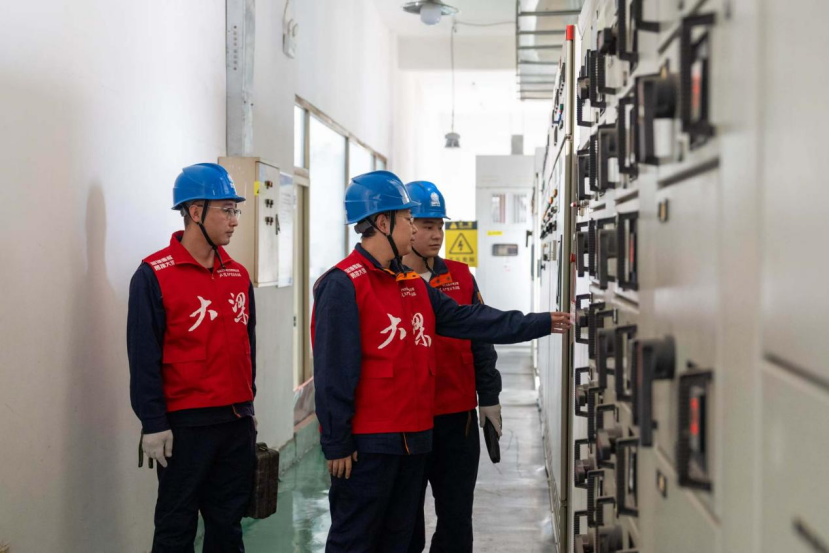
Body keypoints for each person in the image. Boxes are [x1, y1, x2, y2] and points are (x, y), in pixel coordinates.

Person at [311, 170, 572, 552]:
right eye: (408, 219)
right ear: (382, 223)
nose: (415, 227)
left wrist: (539, 323)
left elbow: (472, 320)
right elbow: (333, 371)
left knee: (402, 540)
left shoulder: (410, 283)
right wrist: (336, 442)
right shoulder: (343, 284)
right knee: (356, 540)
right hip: (370, 445)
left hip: (414, 439)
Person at [127, 163, 257, 552]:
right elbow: (143, 356)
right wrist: (153, 423)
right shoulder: (154, 275)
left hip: (235, 423)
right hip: (185, 428)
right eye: (226, 210)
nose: (234, 220)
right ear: (195, 211)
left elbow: (247, 346)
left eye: (236, 210)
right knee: (176, 526)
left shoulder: (238, 275)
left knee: (228, 526)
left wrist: (249, 409)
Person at [401, 180, 498, 553]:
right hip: (406, 421)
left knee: (456, 518)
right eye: (427, 226)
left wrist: (489, 397)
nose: (437, 235)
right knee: (404, 521)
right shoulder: (389, 279)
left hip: (457, 419)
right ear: (407, 225)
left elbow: (482, 340)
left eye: (440, 225)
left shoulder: (460, 276)